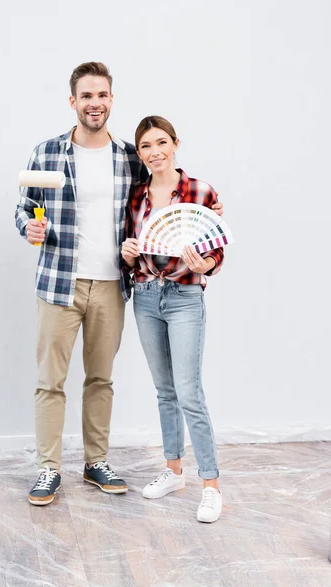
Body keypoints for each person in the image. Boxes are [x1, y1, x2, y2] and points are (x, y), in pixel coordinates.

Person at [14, 62, 151, 505]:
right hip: (59, 283)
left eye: (103, 95)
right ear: (73, 101)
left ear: (112, 99)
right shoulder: (47, 152)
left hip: (111, 285)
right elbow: (25, 207)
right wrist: (29, 227)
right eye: (87, 96)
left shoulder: (131, 157)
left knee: (100, 379)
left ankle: (96, 462)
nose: (96, 103)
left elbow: (159, 201)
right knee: (50, 380)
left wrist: (205, 200)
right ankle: (48, 469)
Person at [121, 116, 224, 523]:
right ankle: (174, 471)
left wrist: (207, 262)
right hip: (145, 296)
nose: (155, 152)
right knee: (164, 390)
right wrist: (128, 255)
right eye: (146, 146)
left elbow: (218, 250)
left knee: (189, 392)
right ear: (140, 152)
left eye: (161, 142)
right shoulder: (136, 196)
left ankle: (211, 485)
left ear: (176, 144)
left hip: (184, 297)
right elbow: (129, 251)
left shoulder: (200, 190)